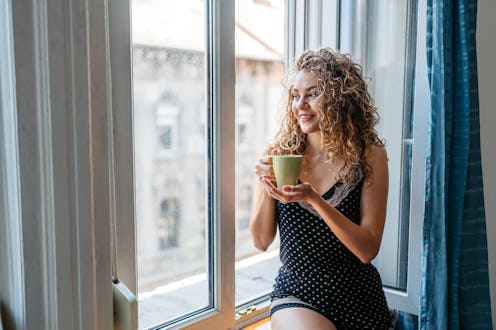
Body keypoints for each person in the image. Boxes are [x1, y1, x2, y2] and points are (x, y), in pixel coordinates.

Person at [249, 48, 393, 329]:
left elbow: (367, 249)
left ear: (340, 99)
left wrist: (313, 198)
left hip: (359, 297)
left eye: (312, 94)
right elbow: (260, 240)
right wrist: (266, 184)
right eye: (295, 95)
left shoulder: (369, 155)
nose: (300, 104)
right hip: (298, 294)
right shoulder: (279, 153)